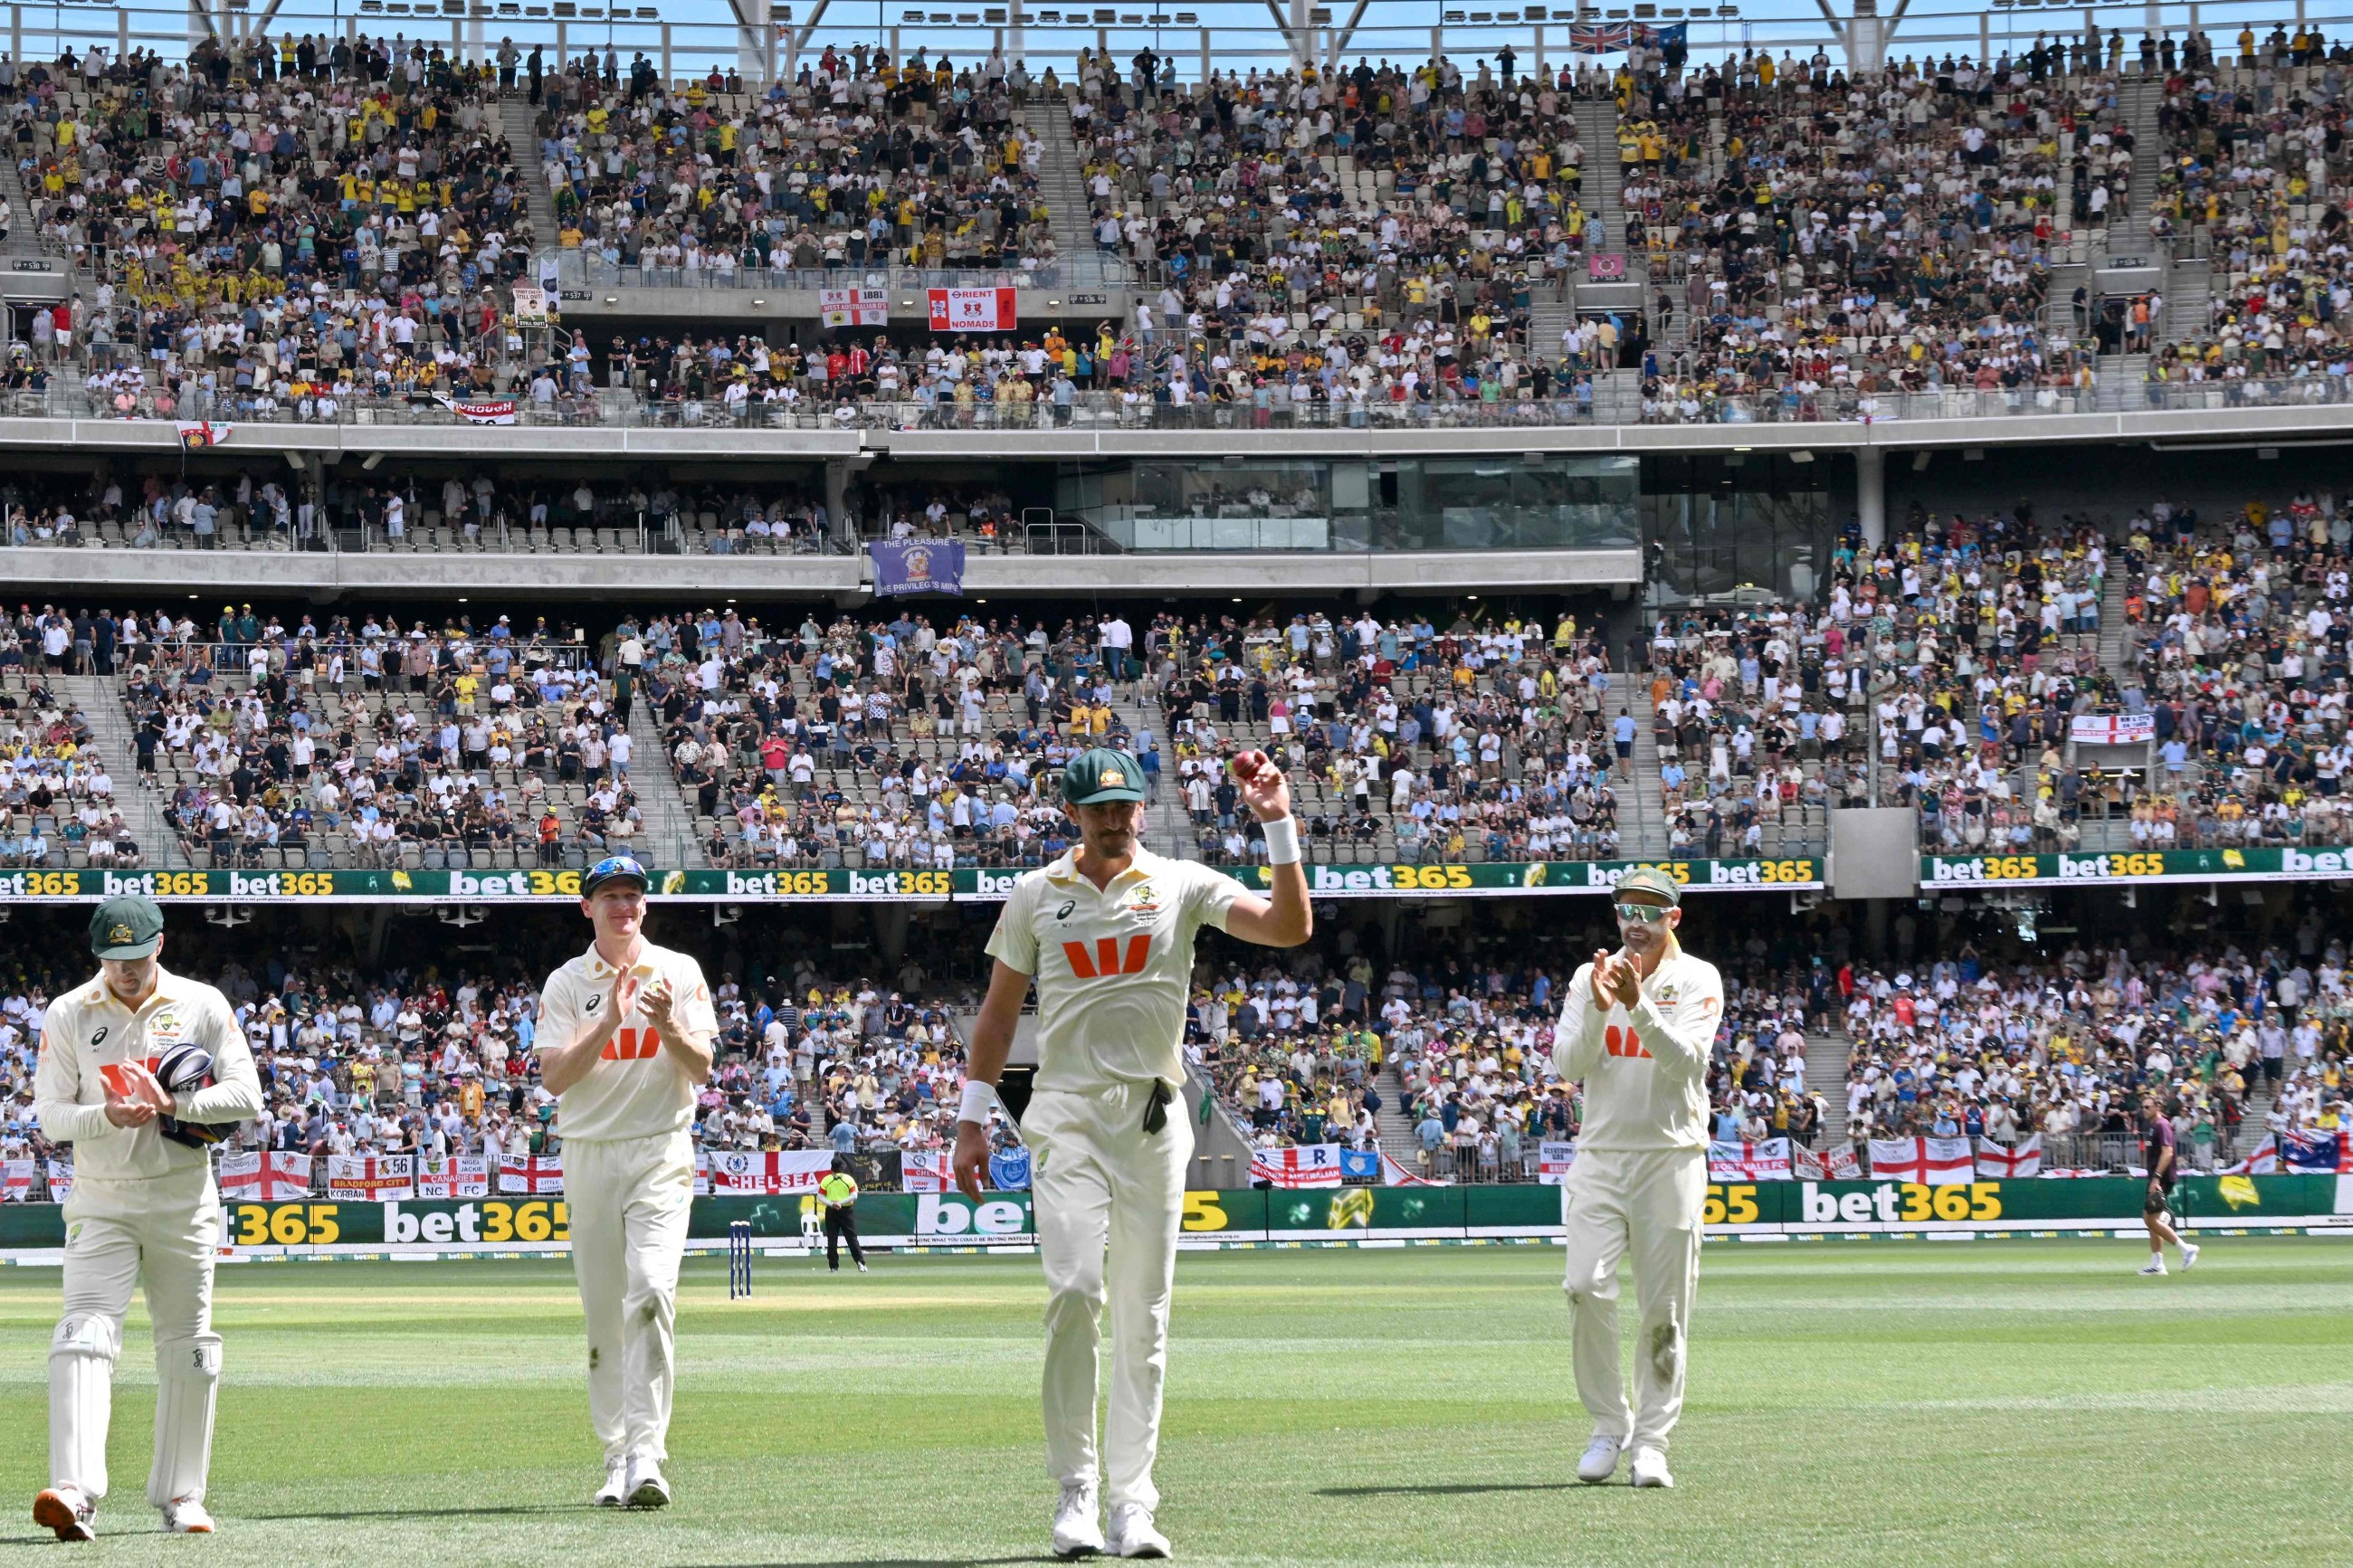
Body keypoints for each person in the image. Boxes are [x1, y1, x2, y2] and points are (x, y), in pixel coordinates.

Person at [957, 747, 1310, 1559]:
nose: (1114, 819)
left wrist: (1277, 824)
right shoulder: (1037, 894)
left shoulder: (1181, 882)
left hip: (1153, 1121)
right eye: (1098, 808)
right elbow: (998, 1018)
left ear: (1142, 809)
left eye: (1125, 806)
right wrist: (972, 1120)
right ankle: (1075, 1491)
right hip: (1065, 1117)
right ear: (1073, 814)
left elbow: (1290, 928)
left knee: (1144, 1317)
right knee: (1077, 1291)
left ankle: (1132, 1504)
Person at [33, 896, 262, 1540]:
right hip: (101, 1198)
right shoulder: (70, 1012)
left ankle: (183, 1496)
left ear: (160, 945)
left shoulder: (203, 1003)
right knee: (82, 1334)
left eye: (135, 958)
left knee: (188, 1347)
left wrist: (172, 1101)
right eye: (112, 959)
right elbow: (50, 1114)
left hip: (183, 1201)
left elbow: (247, 1094)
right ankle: (75, 1492)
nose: (124, 971)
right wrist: (104, 1116)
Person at [533, 854, 719, 1509]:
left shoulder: (679, 971)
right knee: (603, 1313)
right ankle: (615, 1452)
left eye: (634, 895)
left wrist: (666, 1023)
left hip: (660, 1149)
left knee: (651, 1292)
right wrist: (609, 1020)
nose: (624, 906)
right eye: (610, 895)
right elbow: (554, 1078)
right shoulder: (565, 983)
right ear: (587, 907)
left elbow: (701, 1067)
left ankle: (647, 1454)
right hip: (588, 1152)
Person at [1553, 867, 1722, 1490]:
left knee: (1665, 1312)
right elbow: (1569, 1063)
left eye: (1651, 912)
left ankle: (1651, 1442)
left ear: (1674, 918)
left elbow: (1686, 1064)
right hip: (1599, 1155)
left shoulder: (1698, 977)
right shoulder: (1585, 977)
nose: (1637, 923)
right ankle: (1609, 1424)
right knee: (1583, 1286)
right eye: (1628, 910)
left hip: (1670, 1158)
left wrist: (1637, 1004)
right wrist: (1600, 1008)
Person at [2137, 1090, 2200, 1276]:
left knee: (2150, 1219)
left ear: (2158, 1106)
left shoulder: (2162, 1125)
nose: (2144, 1110)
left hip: (2162, 1178)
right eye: (2143, 1107)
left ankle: (2185, 1249)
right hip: (2157, 1177)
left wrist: (2156, 1177)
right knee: (2150, 1219)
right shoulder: (2152, 1126)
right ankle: (2157, 1263)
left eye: (2147, 1106)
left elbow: (2168, 1153)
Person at [817, 1157, 867, 1273]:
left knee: (832, 1239)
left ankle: (833, 1267)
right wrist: (841, 1203)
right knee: (851, 1238)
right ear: (842, 1167)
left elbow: (820, 1196)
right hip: (846, 1210)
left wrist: (832, 1204)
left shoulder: (826, 1180)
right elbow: (854, 1196)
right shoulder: (848, 1179)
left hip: (831, 1211)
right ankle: (860, 1263)